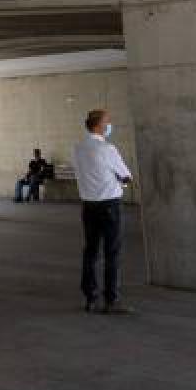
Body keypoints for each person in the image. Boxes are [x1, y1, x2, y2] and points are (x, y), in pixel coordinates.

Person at [71, 110, 134, 315]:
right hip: (109, 206)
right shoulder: (107, 148)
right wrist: (121, 180)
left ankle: (90, 297)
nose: (110, 125)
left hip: (88, 206)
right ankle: (111, 300)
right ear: (98, 126)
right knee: (111, 253)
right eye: (107, 122)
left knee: (90, 251)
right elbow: (126, 175)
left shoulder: (78, 148)